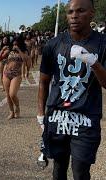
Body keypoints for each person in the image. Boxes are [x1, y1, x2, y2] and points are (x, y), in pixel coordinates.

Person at [37, 0, 106, 179]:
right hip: (58, 116)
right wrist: (40, 115)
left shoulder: (102, 43)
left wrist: (94, 63)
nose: (74, 16)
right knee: (59, 168)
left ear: (92, 13)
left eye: (80, 11)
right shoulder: (54, 44)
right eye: (70, 12)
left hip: (86, 118)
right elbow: (44, 82)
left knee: (80, 171)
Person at [3, 36, 28, 119]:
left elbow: (25, 60)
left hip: (16, 75)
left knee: (12, 94)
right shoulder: (9, 51)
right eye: (13, 42)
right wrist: (2, 51)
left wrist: (19, 50)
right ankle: (11, 112)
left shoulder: (23, 51)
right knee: (7, 95)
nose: (14, 44)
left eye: (16, 43)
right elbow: (2, 57)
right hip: (6, 73)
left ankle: (17, 107)